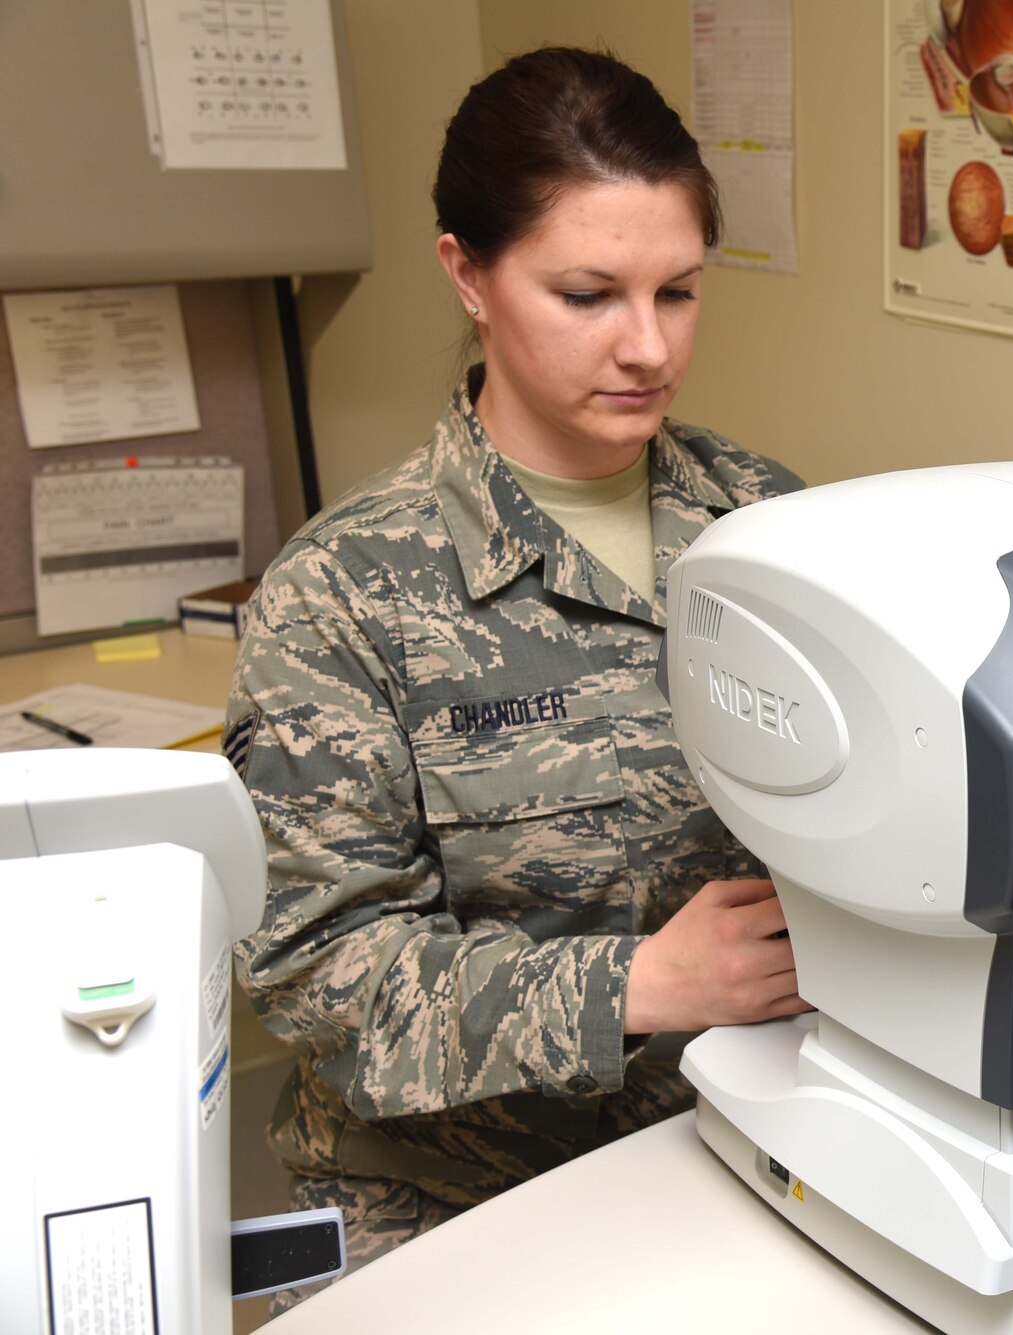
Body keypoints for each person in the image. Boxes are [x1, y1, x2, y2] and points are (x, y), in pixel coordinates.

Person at [225, 47, 810, 1296]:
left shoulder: (775, 527)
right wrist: (640, 981)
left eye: (680, 292)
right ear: (467, 275)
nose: (647, 347)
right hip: (445, 1196)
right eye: (589, 294)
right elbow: (325, 985)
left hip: (735, 1134)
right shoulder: (341, 600)